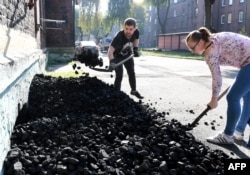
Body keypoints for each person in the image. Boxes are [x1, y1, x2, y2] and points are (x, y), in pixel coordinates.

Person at [185, 27, 250, 145]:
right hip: (247, 62)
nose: (192, 51)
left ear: (200, 42)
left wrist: (214, 99)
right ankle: (238, 131)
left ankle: (227, 135)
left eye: (192, 48)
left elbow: (217, 78)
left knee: (233, 97)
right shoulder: (214, 38)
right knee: (247, 97)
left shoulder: (211, 53)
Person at [107, 17, 143, 99]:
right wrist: (112, 62)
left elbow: (136, 40)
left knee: (131, 72)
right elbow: (110, 51)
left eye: (131, 29)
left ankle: (133, 91)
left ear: (134, 29)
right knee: (119, 75)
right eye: (126, 29)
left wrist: (135, 49)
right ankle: (116, 94)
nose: (128, 31)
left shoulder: (136, 32)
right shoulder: (119, 37)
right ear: (124, 27)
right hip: (117, 56)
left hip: (127, 54)